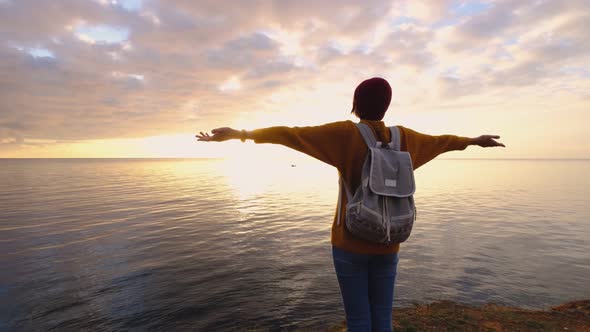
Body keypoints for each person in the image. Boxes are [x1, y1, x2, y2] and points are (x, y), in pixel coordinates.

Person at [196, 77, 505, 332]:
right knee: (382, 317)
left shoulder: (345, 134)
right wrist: (474, 140)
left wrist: (242, 134)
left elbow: (291, 135)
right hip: (389, 240)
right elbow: (443, 141)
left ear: (356, 104)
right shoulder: (406, 139)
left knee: (358, 320)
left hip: (350, 242)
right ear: (387, 104)